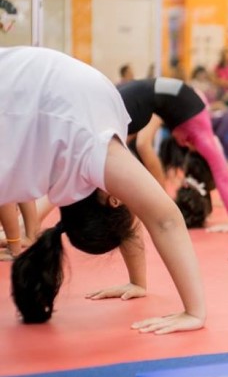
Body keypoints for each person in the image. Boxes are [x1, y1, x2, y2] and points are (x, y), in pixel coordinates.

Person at [0, 46, 205, 333]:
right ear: (114, 198)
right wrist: (193, 312)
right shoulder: (71, 164)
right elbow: (161, 218)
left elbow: (150, 216)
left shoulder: (77, 159)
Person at [117, 78, 228, 232]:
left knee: (115, 145)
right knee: (115, 147)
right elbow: (222, 175)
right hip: (141, 93)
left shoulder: (182, 114)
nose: (184, 145)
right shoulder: (203, 137)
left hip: (142, 92)